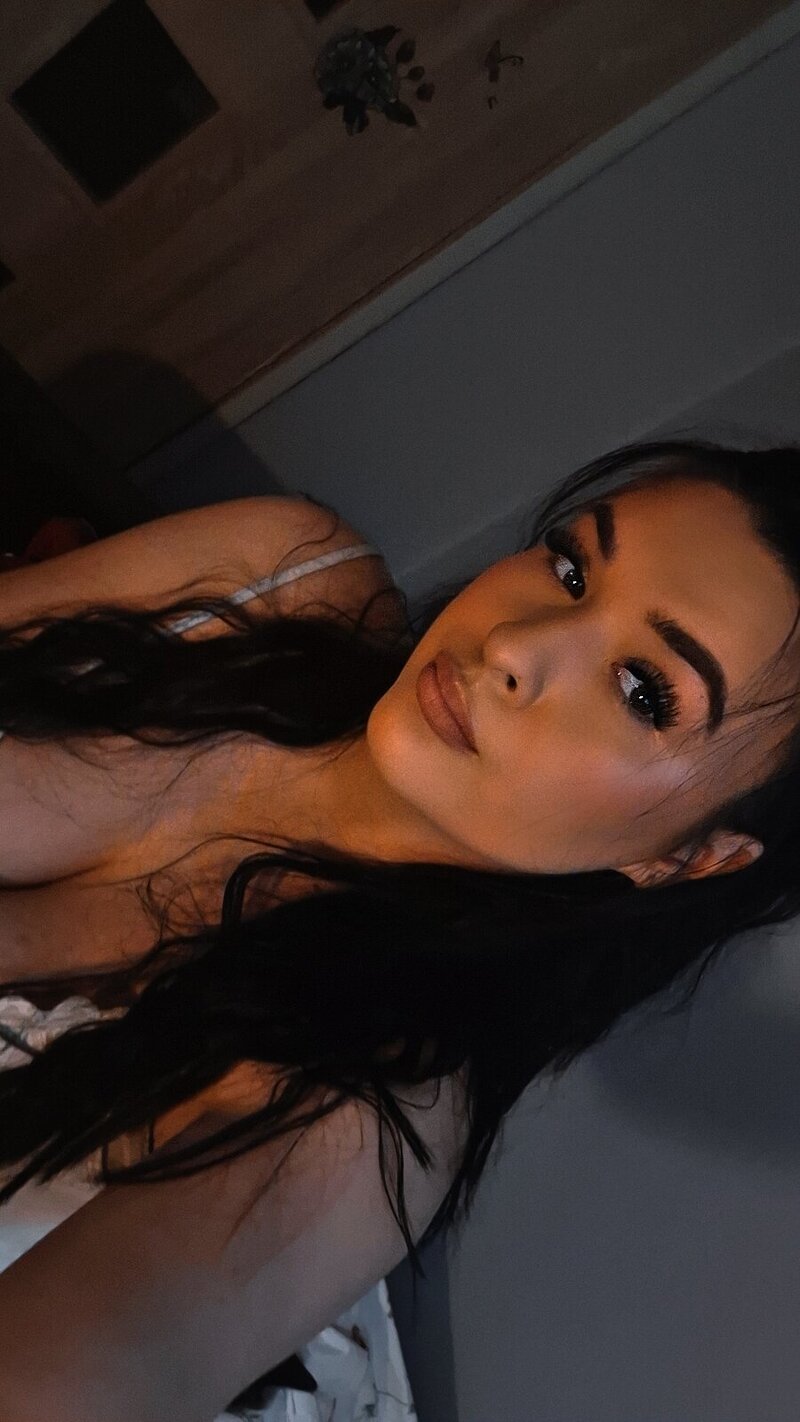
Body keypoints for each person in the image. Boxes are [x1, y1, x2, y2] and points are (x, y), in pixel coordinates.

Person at [0, 437, 799, 1420]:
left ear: (689, 859)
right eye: (570, 568)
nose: (515, 647)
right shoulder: (277, 577)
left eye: (642, 690)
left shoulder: (358, 1107)